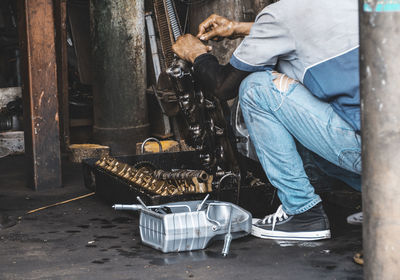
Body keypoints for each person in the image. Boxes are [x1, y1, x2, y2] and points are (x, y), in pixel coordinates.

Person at [172, 0, 361, 241]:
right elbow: (307, 24)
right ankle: (385, 205)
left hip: (366, 153)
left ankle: (303, 212)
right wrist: (238, 28)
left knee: (256, 88)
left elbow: (223, 86)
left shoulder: (282, 15)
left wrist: (195, 53)